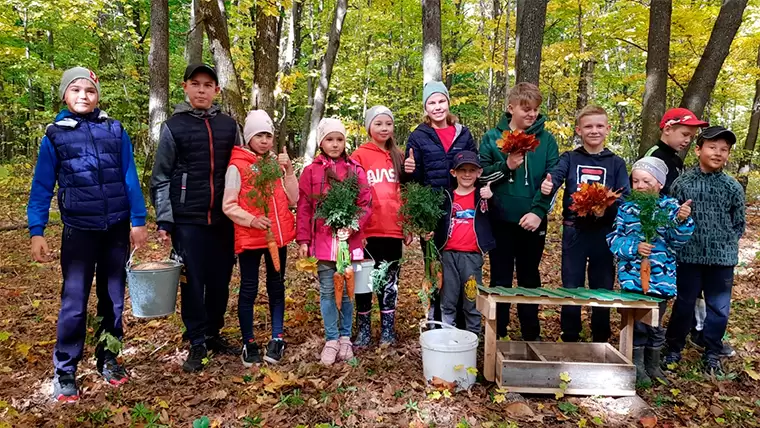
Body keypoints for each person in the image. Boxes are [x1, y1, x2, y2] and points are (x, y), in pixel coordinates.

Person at [27, 67, 148, 401]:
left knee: (113, 299)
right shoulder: (55, 135)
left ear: (98, 96)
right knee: (74, 303)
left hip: (116, 229)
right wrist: (36, 230)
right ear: (65, 95)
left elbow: (129, 176)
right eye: (76, 90)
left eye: (90, 90)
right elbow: (41, 186)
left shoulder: (114, 130)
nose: (84, 96)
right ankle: (65, 370)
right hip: (79, 231)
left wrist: (138, 220)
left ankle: (108, 356)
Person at [150, 63, 240, 373]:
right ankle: (197, 340)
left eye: (208, 85)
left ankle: (213, 332)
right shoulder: (174, 127)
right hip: (188, 219)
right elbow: (161, 177)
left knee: (220, 279)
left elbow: (240, 171)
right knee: (192, 280)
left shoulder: (230, 126)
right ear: (185, 87)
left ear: (216, 90)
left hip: (224, 219)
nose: (202, 90)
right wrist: (165, 220)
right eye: (195, 84)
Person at [541, 105, 630, 343]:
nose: (594, 131)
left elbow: (625, 195)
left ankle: (600, 336)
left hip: (604, 232)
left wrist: (607, 210)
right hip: (575, 230)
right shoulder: (570, 158)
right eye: (588, 126)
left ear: (608, 129)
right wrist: (549, 185)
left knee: (602, 286)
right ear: (579, 130)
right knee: (572, 284)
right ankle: (570, 334)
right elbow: (556, 176)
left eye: (599, 126)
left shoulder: (616, 163)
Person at [480, 82, 559, 341]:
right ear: (511, 107)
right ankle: (497, 332)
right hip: (500, 218)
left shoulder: (546, 141)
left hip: (533, 221)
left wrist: (538, 211)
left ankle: (530, 332)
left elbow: (552, 180)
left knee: (529, 275)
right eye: (526, 109)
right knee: (500, 276)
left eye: (535, 109)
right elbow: (481, 177)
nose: (532, 114)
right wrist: (507, 165)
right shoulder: (492, 138)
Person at [663, 126, 745, 375]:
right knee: (685, 304)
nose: (718, 153)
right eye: (712, 147)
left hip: (722, 259)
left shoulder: (732, 187)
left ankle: (712, 351)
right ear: (698, 150)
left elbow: (739, 222)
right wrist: (679, 219)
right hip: (688, 256)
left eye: (724, 150)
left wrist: (725, 242)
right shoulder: (683, 183)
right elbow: (670, 217)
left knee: (719, 308)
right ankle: (673, 348)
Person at [607, 157, 695, 385]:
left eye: (646, 180)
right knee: (636, 324)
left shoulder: (671, 208)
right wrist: (633, 248)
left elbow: (678, 241)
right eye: (635, 181)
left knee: (655, 323)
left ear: (659, 184)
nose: (640, 186)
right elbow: (614, 240)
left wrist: (682, 221)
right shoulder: (627, 209)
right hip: (632, 279)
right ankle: (636, 367)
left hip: (661, 279)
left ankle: (653, 364)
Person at [222, 110, 297, 366]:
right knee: (249, 288)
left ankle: (277, 337)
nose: (264, 140)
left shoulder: (275, 163)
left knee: (277, 287)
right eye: (259, 135)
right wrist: (251, 220)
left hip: (278, 237)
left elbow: (293, 199)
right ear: (249, 136)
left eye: (268, 135)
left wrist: (288, 171)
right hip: (250, 237)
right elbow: (229, 205)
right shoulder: (237, 165)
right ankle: (249, 342)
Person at [296, 118, 372, 365]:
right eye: (330, 139)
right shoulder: (311, 171)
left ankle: (345, 338)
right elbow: (305, 206)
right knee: (328, 291)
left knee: (348, 292)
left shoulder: (355, 169)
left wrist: (352, 226)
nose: (335, 144)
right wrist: (304, 239)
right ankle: (331, 338)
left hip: (350, 241)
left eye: (339, 139)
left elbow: (365, 203)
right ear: (321, 142)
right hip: (323, 241)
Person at [404, 80, 477, 325]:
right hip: (432, 211)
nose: (437, 107)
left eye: (441, 101)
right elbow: (412, 180)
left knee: (460, 267)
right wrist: (410, 169)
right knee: (435, 269)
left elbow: (474, 168)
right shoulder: (418, 136)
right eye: (431, 103)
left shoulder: (463, 134)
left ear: (448, 102)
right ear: (425, 108)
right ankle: (436, 321)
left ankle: (462, 323)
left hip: (460, 209)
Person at [350, 106, 407, 346]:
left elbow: (406, 193)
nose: (384, 128)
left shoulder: (400, 156)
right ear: (369, 127)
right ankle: (363, 329)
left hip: (392, 229)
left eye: (388, 124)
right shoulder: (359, 155)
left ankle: (387, 329)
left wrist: (407, 225)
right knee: (365, 281)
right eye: (378, 124)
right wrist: (357, 228)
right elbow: (352, 193)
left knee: (389, 281)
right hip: (367, 230)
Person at [431, 151, 496, 334]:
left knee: (471, 298)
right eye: (462, 170)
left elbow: (498, 215)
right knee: (448, 299)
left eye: (471, 170)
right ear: (453, 173)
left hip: (472, 256)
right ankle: (447, 338)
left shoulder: (482, 196)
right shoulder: (446, 196)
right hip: (448, 255)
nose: (467, 174)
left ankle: (473, 339)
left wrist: (492, 198)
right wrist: (432, 235)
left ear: (479, 172)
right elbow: (437, 221)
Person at [642, 107, 708, 195]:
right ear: (667, 129)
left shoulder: (677, 161)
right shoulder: (652, 157)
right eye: (685, 134)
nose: (688, 140)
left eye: (691, 137)